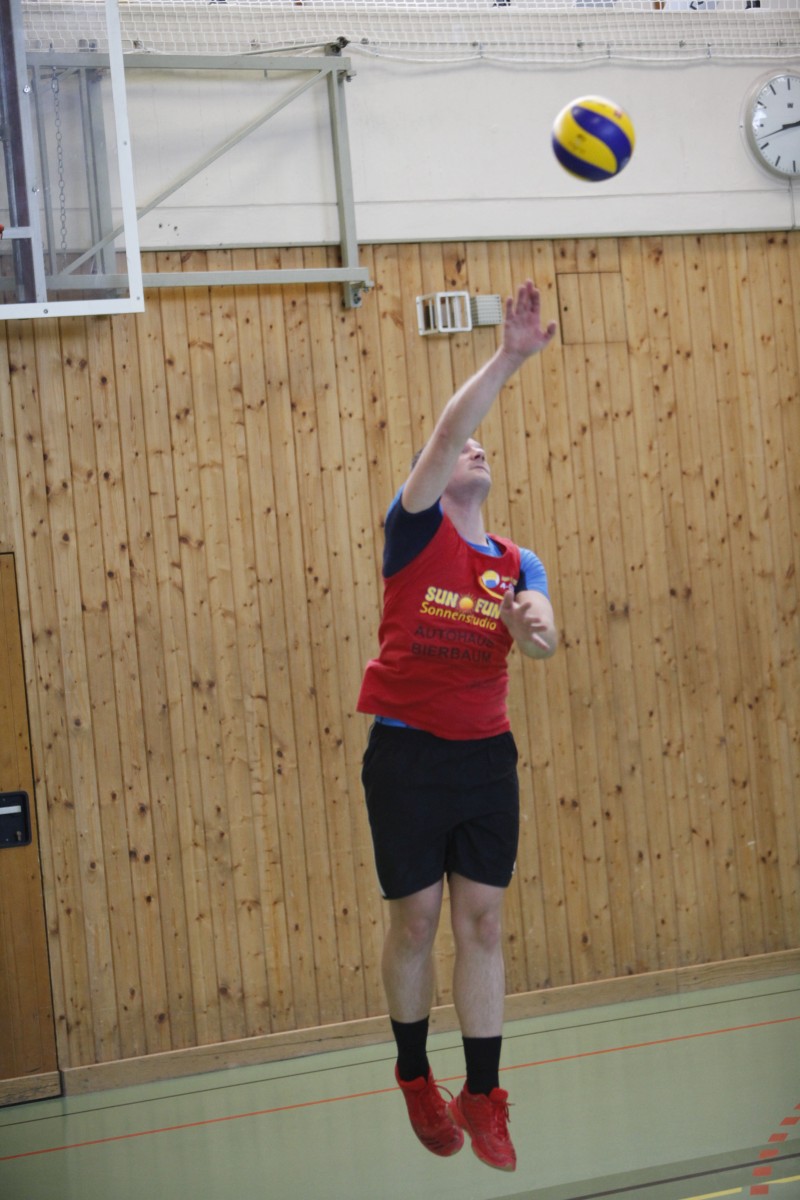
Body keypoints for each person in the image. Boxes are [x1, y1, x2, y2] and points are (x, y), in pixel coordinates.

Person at [357, 280, 559, 1172]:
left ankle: (483, 1094)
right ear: (436, 480)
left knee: (482, 924)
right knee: (417, 922)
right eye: (462, 447)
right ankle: (414, 1076)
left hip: (484, 759)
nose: (473, 449)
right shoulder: (412, 532)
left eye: (484, 448)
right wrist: (509, 356)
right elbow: (446, 433)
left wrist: (533, 626)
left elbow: (544, 639)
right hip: (406, 754)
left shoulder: (518, 560)